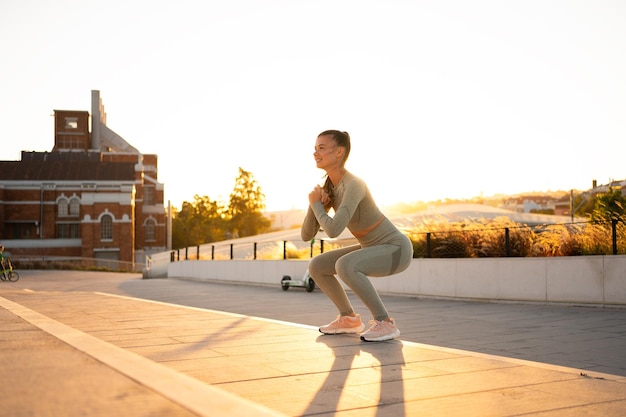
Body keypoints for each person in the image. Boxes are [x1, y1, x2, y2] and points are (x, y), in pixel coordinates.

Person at [301, 130, 413, 342]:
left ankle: (385, 322)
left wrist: (317, 205)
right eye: (315, 148)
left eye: (322, 148)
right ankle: (349, 319)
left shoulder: (354, 185)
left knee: (344, 264)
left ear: (339, 152)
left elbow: (334, 230)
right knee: (317, 265)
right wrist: (314, 205)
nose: (316, 153)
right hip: (370, 247)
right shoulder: (329, 188)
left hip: (396, 249)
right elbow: (307, 235)